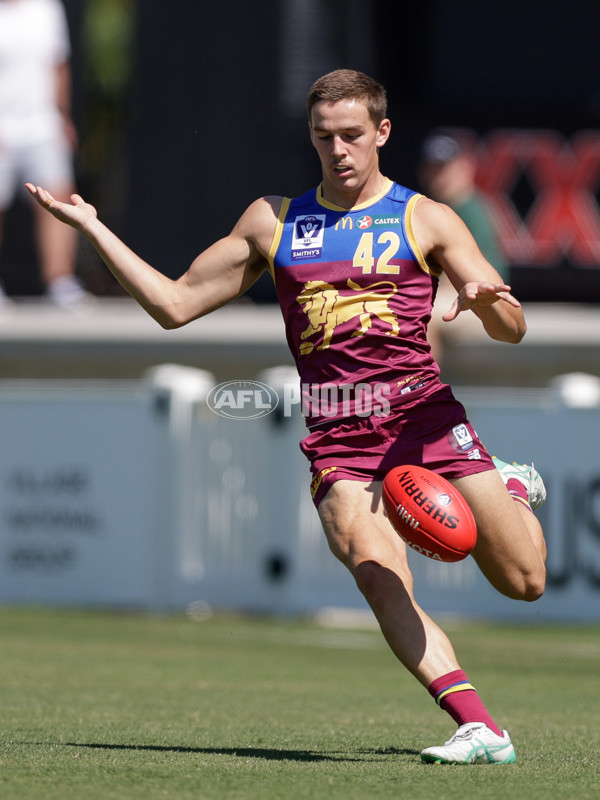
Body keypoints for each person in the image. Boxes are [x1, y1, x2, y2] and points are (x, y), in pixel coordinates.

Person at [26, 68, 547, 765]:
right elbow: (174, 307)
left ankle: (508, 486)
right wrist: (94, 230)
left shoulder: (426, 217)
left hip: (425, 419)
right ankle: (479, 725)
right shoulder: (275, 222)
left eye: (353, 136)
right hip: (339, 437)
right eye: (324, 137)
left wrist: (488, 301)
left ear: (383, 133)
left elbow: (513, 329)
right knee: (372, 563)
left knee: (525, 582)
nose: (339, 151)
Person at [0, 0, 89, 308]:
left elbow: (58, 64)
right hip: (2, 129)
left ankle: (61, 283)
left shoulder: (47, 8)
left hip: (43, 126)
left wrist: (62, 116)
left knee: (58, 202)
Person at [417, 130, 509, 363]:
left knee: (421, 315)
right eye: (433, 168)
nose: (439, 176)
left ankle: (424, 392)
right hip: (452, 294)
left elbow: (482, 276)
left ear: (465, 167)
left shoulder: (471, 209)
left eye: (445, 167)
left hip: (482, 298)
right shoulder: (433, 207)